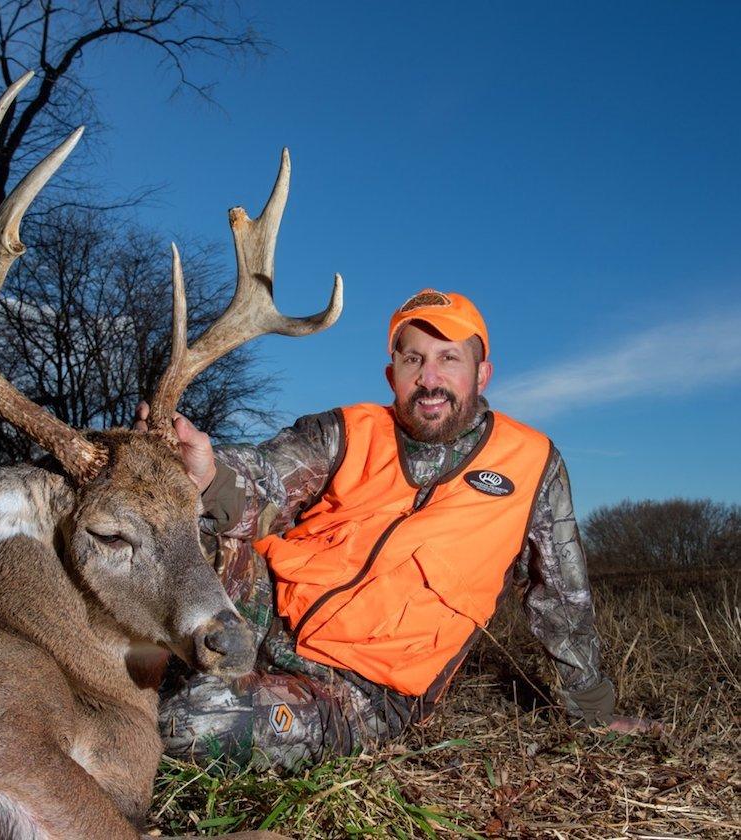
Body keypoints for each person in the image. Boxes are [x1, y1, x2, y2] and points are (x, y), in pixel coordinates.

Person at [139, 288, 654, 771]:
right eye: (413, 359)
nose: (430, 378)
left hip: (365, 691)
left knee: (190, 723)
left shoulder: (533, 465)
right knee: (180, 530)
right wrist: (204, 471)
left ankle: (155, 688)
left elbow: (562, 598)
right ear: (392, 375)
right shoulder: (345, 431)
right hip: (265, 609)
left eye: (449, 358)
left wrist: (592, 709)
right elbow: (264, 477)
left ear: (483, 373)